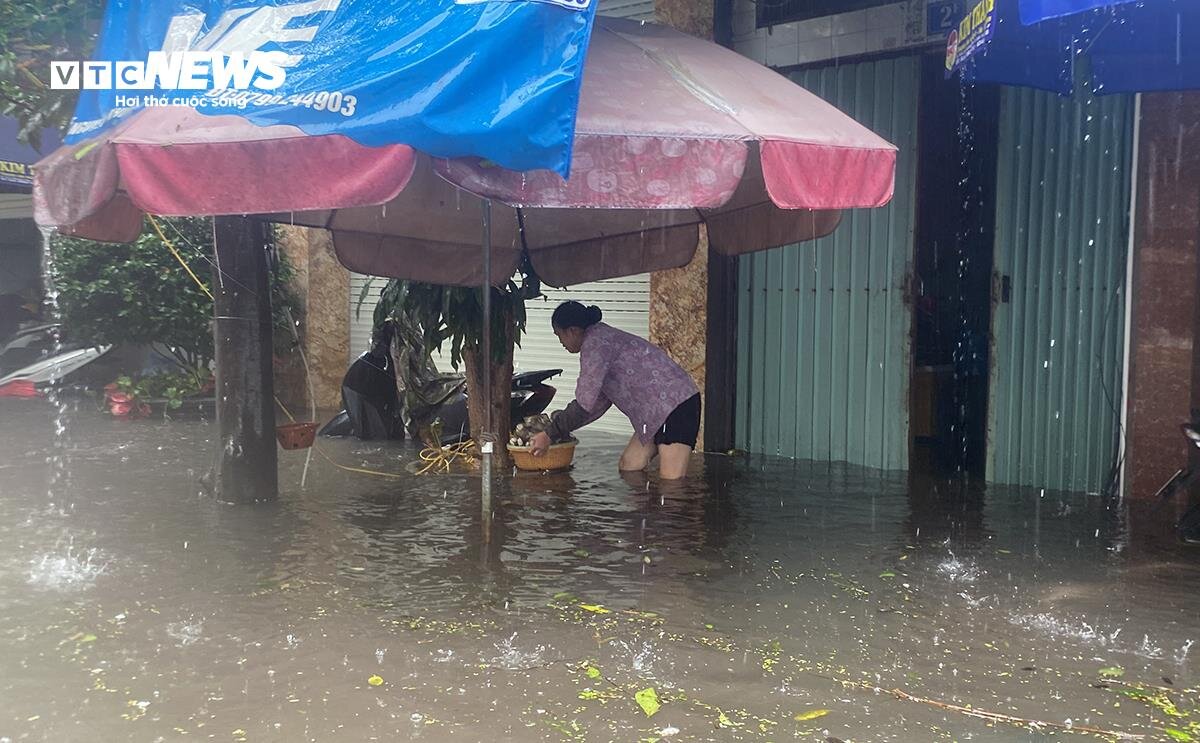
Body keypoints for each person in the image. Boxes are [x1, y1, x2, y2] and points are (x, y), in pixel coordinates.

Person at [529, 301, 700, 479]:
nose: (561, 343)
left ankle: (671, 506)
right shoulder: (600, 337)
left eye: (559, 336)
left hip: (675, 405)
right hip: (654, 413)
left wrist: (549, 434)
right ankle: (646, 506)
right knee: (629, 467)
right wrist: (560, 429)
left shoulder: (595, 344)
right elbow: (595, 404)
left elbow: (584, 405)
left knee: (671, 485)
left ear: (572, 330)